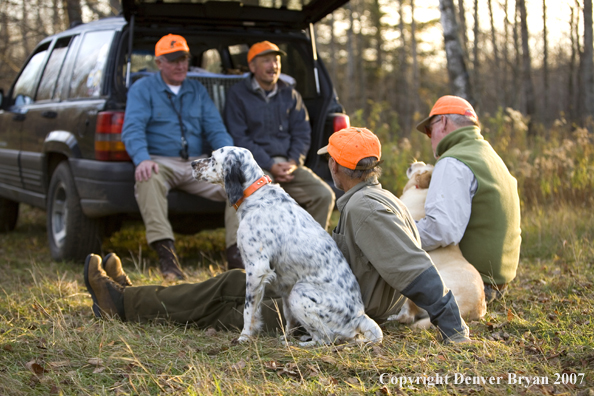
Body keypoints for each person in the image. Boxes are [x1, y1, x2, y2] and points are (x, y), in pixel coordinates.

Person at [84, 127, 471, 344]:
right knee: (234, 282)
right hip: (330, 295)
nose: (329, 165)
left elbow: (412, 267)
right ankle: (133, 296)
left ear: (339, 167)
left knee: (225, 298)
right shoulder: (374, 196)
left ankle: (124, 303)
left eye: (330, 160)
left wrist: (452, 325)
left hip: (333, 313)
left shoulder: (367, 208)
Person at [122, 34, 242, 279]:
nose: (180, 65)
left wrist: (228, 156)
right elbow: (132, 128)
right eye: (173, 60)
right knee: (147, 178)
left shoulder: (197, 89)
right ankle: (168, 259)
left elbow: (215, 129)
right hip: (159, 161)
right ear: (159, 63)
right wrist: (142, 158)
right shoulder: (142, 89)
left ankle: (236, 256)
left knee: (238, 183)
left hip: (195, 163)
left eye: (184, 59)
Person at [414, 95, 522, 303]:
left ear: (443, 122)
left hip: (469, 286)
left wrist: (398, 234)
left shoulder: (453, 161)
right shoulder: (487, 155)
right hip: (496, 283)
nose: (430, 138)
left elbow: (441, 231)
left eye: (429, 130)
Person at [223, 41, 335, 230]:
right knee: (248, 192)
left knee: (324, 195)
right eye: (266, 61)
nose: (273, 66)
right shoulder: (237, 95)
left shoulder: (291, 94)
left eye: (276, 61)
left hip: (288, 167)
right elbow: (239, 137)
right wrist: (270, 165)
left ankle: (306, 250)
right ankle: (240, 255)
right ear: (252, 66)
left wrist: (293, 162)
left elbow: (302, 133)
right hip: (255, 166)